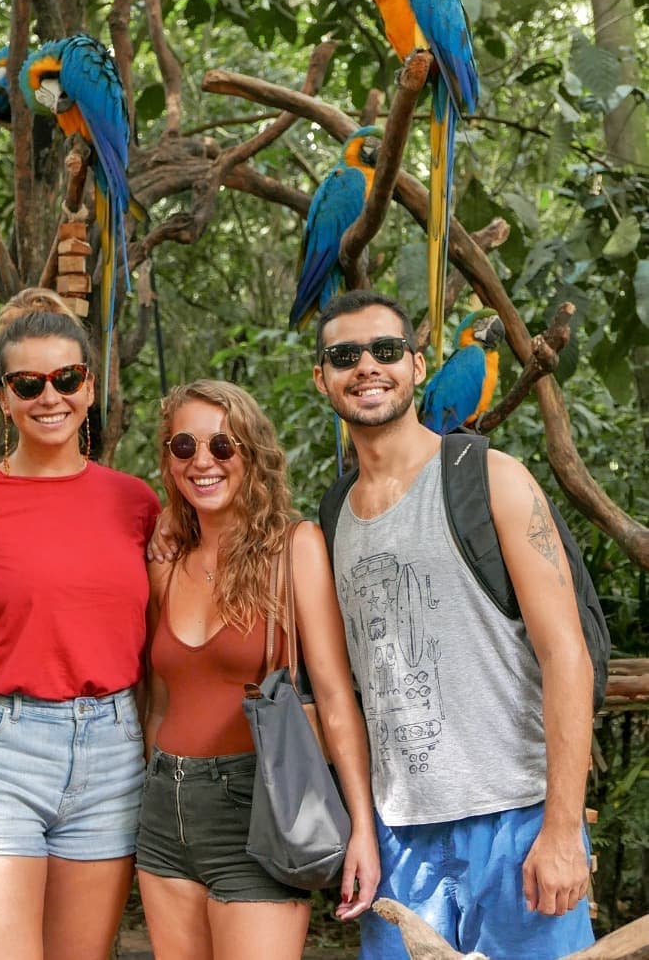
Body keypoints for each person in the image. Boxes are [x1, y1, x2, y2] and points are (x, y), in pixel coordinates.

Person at [311, 289, 595, 960]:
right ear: (320, 375)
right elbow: (340, 693)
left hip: (517, 820)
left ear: (416, 363)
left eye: (385, 350)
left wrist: (560, 828)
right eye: (344, 355)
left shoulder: (490, 477)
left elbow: (565, 654)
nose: (366, 366)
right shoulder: (332, 517)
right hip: (401, 839)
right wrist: (361, 828)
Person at [0, 288, 160, 960]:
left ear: (90, 386)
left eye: (67, 378)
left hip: (110, 753)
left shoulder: (135, 502)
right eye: (29, 383)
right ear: (3, 397)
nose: (51, 396)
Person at [136, 379, 380, 960]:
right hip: (164, 812)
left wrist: (362, 830)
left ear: (252, 453)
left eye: (223, 446)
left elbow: (336, 698)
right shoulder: (164, 566)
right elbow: (159, 703)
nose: (203, 462)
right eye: (184, 447)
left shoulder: (296, 549)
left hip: (261, 808)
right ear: (169, 462)